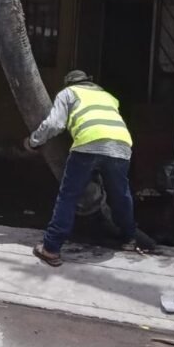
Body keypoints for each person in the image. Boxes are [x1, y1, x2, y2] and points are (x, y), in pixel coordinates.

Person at [24, 70, 154, 266]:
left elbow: (54, 124)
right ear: (90, 82)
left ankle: (50, 248)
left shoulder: (68, 93)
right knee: (120, 195)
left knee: (68, 196)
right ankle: (129, 238)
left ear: (69, 84)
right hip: (120, 145)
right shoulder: (108, 96)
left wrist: (33, 141)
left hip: (88, 144)